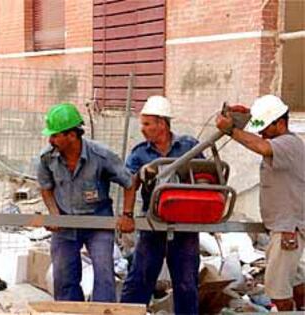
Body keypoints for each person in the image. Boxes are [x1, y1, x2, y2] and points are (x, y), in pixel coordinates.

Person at [37, 103, 135, 302]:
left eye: (55, 135)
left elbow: (130, 182)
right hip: (65, 223)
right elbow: (46, 189)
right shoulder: (48, 158)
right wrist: (53, 213)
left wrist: (127, 215)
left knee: (104, 274)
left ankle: (102, 311)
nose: (50, 140)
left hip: (97, 222)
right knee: (64, 277)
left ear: (71, 135)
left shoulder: (101, 156)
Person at [216, 94, 305, 311]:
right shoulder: (283, 143)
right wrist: (241, 117)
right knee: (295, 283)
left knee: (278, 291)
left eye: (265, 126)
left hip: (287, 229)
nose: (261, 131)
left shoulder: (288, 143)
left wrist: (232, 130)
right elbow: (259, 139)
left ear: (280, 123)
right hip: (284, 227)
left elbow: (261, 147)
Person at [119, 96, 201, 314]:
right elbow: (130, 184)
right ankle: (130, 311)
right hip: (152, 222)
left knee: (186, 281)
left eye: (147, 124)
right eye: (142, 123)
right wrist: (127, 214)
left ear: (162, 124)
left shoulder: (189, 147)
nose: (143, 129)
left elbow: (205, 176)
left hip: (185, 223)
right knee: (141, 277)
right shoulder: (140, 153)